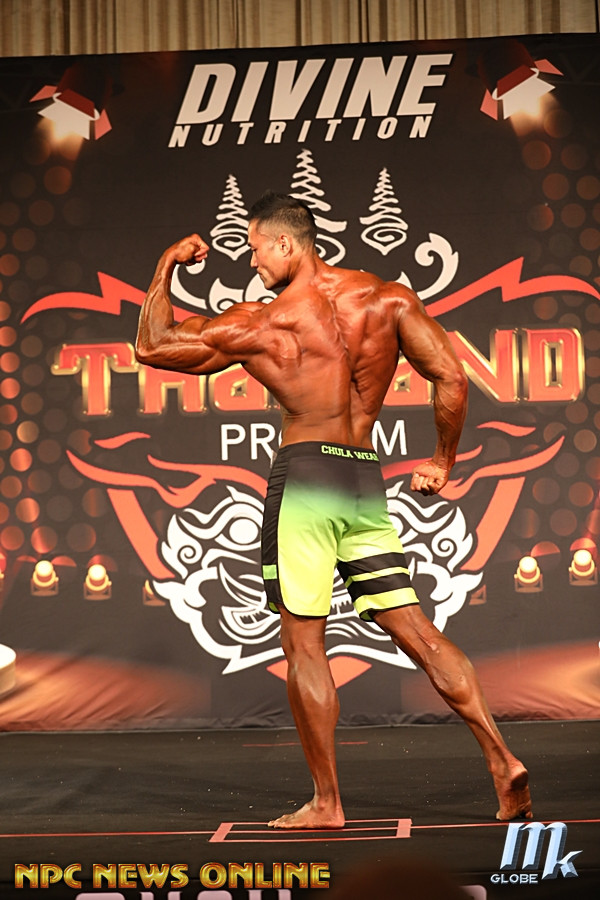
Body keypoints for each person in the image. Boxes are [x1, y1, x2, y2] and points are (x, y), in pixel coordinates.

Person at [135, 191, 532, 829]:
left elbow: (153, 347)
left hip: (305, 481)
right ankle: (501, 756)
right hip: (361, 481)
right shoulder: (389, 299)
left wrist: (166, 265)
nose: (252, 263)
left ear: (286, 243)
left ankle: (326, 802)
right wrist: (442, 461)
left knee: (304, 646)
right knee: (419, 632)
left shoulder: (265, 322)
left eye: (256, 249)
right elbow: (452, 378)